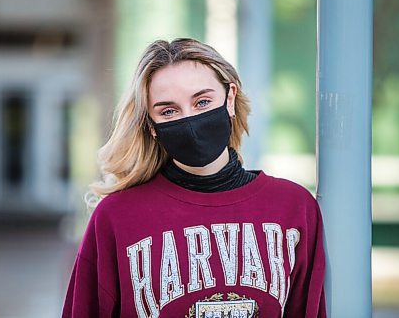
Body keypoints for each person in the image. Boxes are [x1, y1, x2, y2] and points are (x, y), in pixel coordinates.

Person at [62, 38, 326, 318]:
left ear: (230, 98)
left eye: (202, 102)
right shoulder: (116, 218)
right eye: (168, 111)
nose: (189, 120)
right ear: (151, 126)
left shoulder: (293, 208)